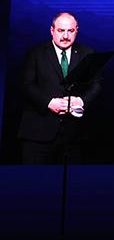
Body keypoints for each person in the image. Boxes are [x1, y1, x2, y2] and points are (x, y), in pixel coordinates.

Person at [18, 12, 102, 164]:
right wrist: (49, 103)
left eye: (70, 31)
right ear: (52, 30)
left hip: (74, 136)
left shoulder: (87, 54)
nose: (65, 36)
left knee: (74, 178)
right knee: (34, 178)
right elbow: (26, 85)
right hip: (38, 134)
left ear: (77, 30)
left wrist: (81, 101)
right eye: (61, 30)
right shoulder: (35, 53)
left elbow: (97, 84)